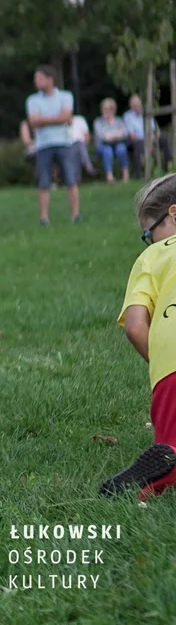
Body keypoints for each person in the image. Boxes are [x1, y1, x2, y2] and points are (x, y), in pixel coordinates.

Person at [101, 174, 176, 499]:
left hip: (170, 362)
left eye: (150, 233)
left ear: (173, 214)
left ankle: (154, 481)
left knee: (169, 443)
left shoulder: (153, 257)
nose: (148, 241)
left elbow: (134, 325)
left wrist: (160, 363)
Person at [26, 65, 80, 226]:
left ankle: (76, 215)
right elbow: (34, 122)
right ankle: (44, 218)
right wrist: (57, 118)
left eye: (40, 78)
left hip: (63, 143)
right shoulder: (32, 100)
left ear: (50, 80)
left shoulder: (65, 96)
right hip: (43, 146)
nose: (36, 81)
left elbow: (66, 117)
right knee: (44, 182)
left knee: (71, 179)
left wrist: (44, 120)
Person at [94, 98, 130, 184]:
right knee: (107, 151)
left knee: (121, 149)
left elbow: (124, 133)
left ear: (113, 109)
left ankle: (125, 174)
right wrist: (116, 134)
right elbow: (103, 136)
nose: (105, 111)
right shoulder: (98, 122)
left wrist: (111, 135)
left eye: (108, 109)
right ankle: (109, 176)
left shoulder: (119, 121)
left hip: (118, 145)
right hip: (102, 146)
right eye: (103, 109)